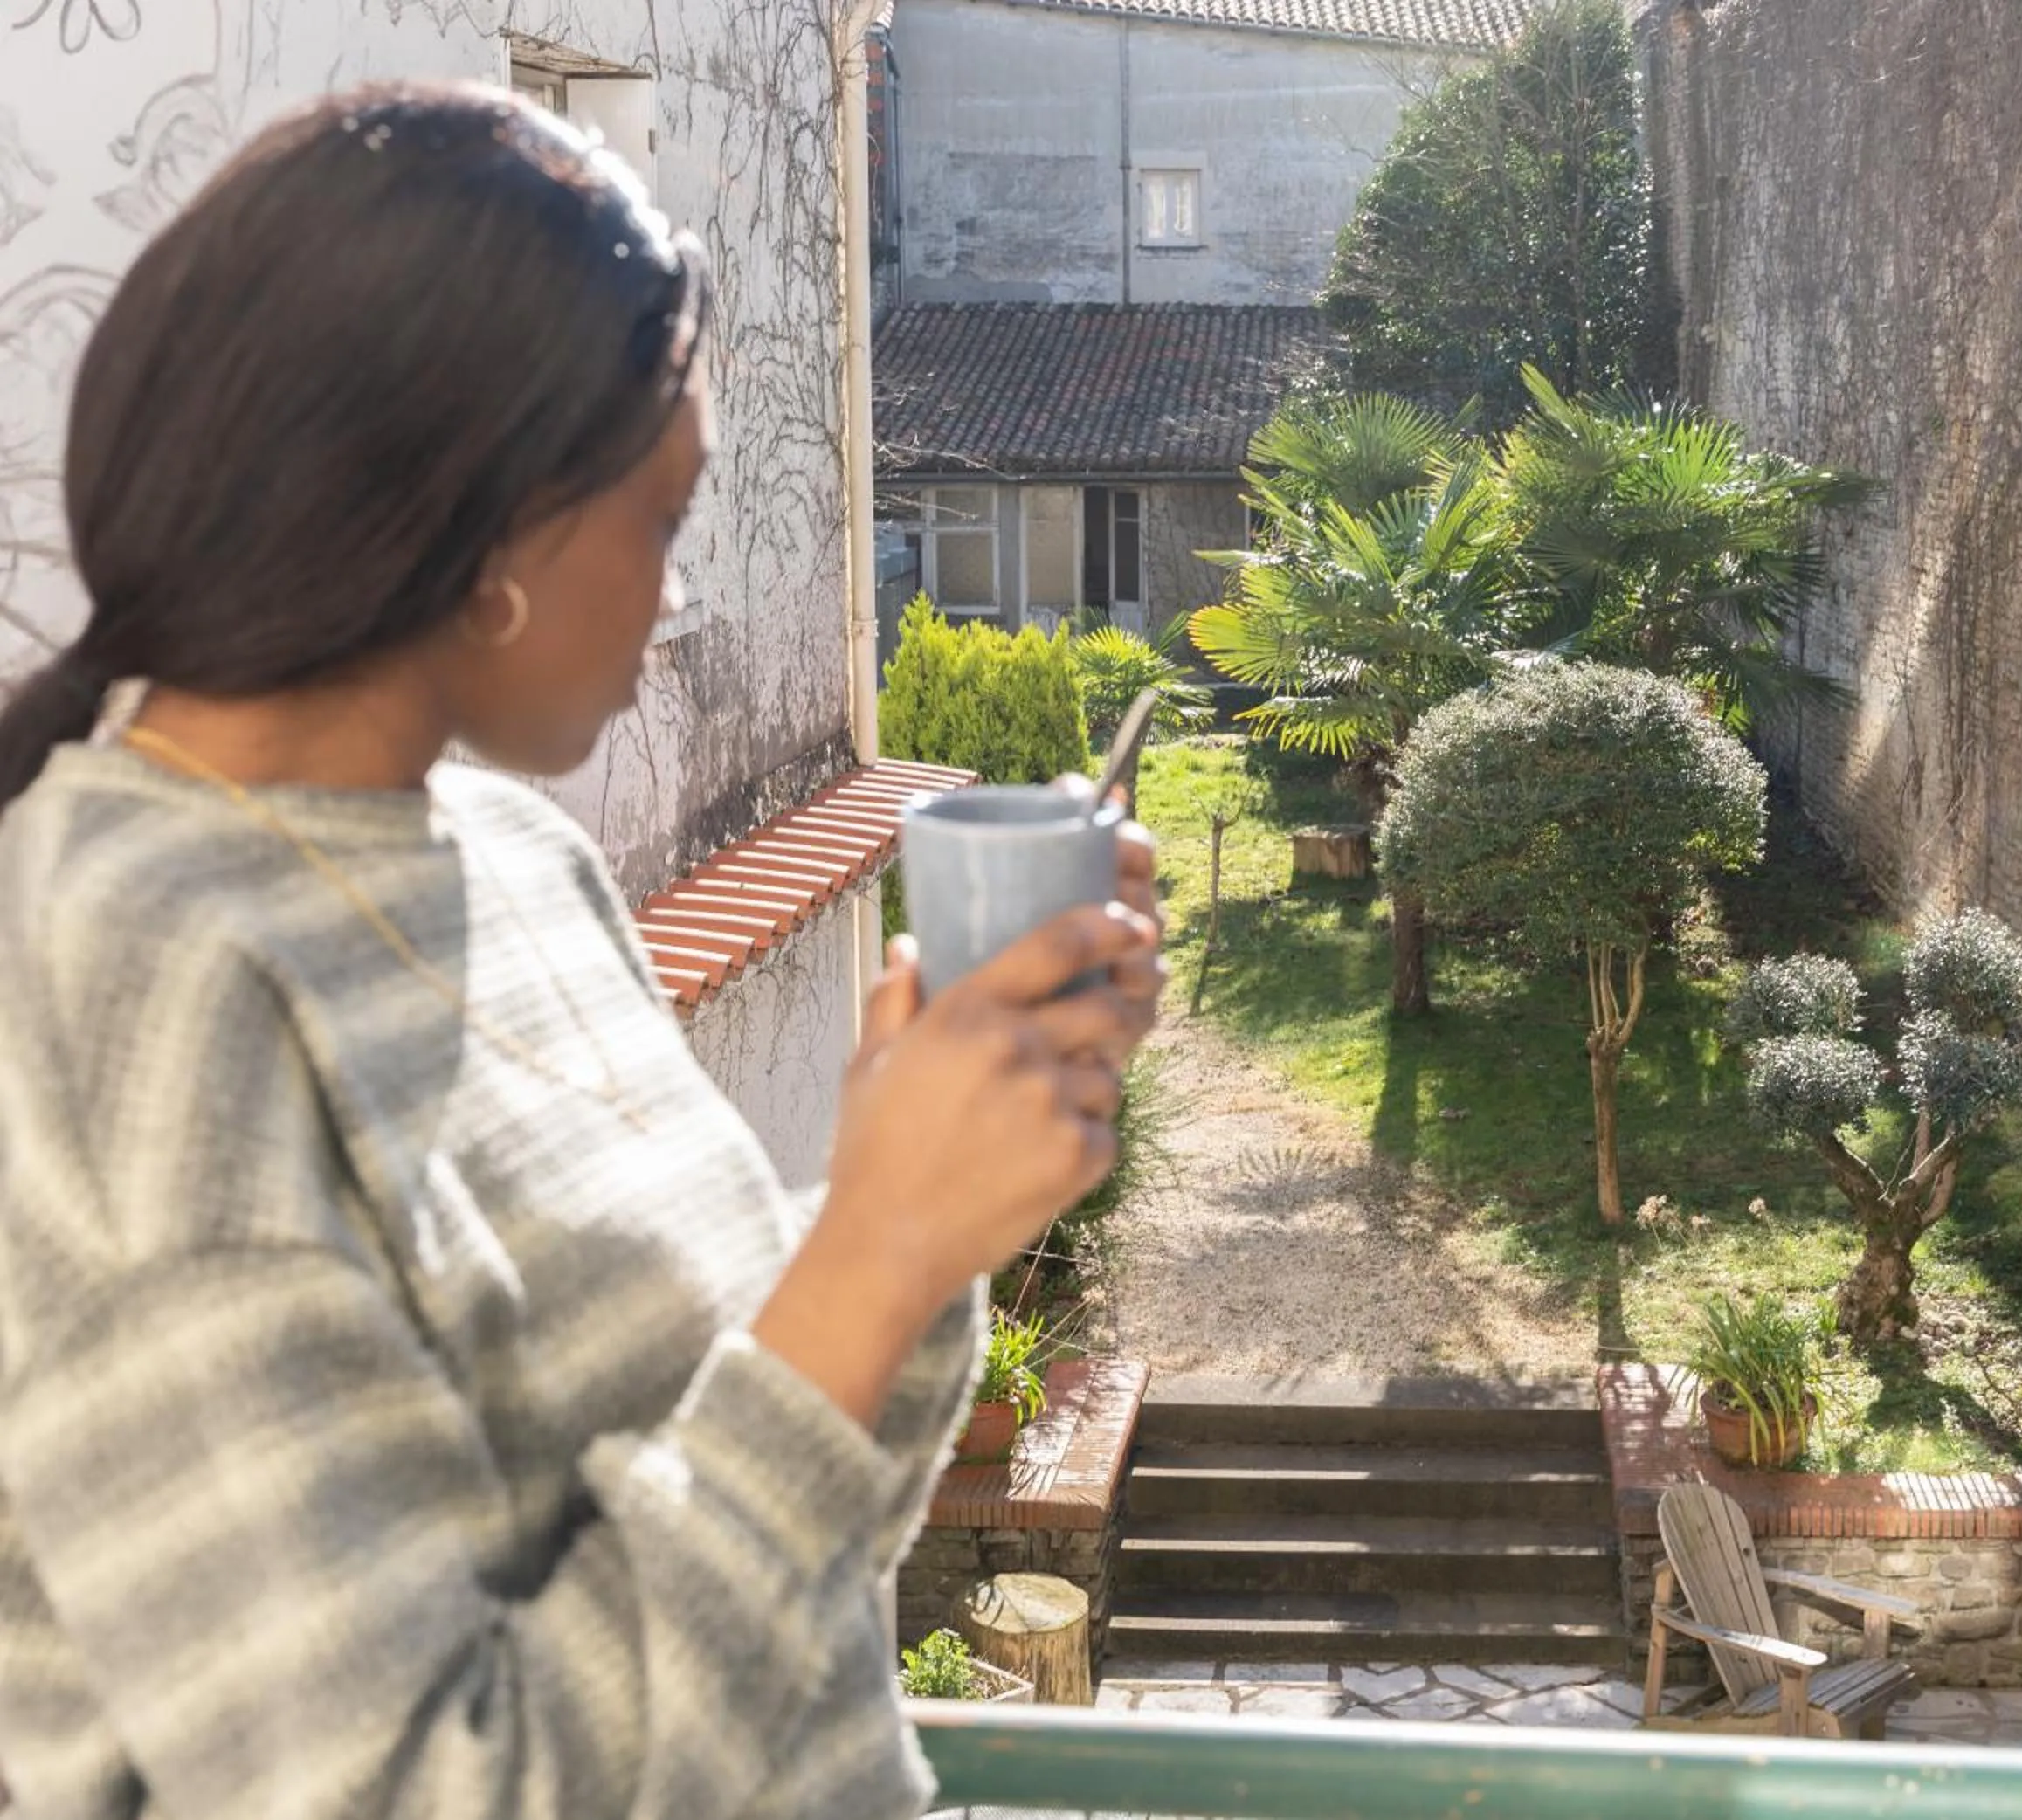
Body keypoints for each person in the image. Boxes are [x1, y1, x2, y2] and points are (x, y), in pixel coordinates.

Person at [0, 82, 1161, 1817]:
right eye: (664, 522)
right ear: (485, 535)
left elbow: (776, 1515)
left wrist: (926, 1197)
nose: (679, 600)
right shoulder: (121, 985)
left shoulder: (517, 857)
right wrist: (867, 1256)